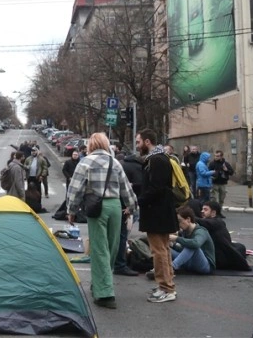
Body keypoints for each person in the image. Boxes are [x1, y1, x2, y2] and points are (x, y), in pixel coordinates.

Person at [67, 133, 138, 309]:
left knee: (99, 249)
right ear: (106, 145)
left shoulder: (85, 162)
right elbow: (126, 188)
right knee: (112, 247)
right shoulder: (115, 163)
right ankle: (100, 284)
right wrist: (132, 207)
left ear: (91, 145)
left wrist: (71, 210)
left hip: (96, 206)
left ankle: (105, 293)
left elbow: (75, 189)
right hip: (115, 207)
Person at [136, 128, 178, 303]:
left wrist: (139, 200)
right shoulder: (160, 158)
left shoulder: (156, 160)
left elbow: (156, 188)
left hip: (157, 212)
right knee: (164, 249)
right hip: (162, 211)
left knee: (158, 251)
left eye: (138, 142)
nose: (137, 146)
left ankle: (166, 288)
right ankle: (167, 285)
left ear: (147, 142)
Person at [113, 152, 143, 277]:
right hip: (124, 204)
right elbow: (129, 188)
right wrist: (129, 207)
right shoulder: (138, 168)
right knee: (122, 234)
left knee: (113, 236)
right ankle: (120, 264)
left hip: (111, 204)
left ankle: (115, 262)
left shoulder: (121, 165)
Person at [197, 201, 249, 271]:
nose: (202, 211)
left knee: (240, 247)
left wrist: (190, 217)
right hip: (217, 254)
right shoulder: (213, 222)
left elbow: (204, 223)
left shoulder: (217, 222)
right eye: (202, 209)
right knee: (239, 247)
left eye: (205, 209)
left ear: (213, 213)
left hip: (219, 259)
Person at [167, 206, 215, 275]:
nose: (178, 225)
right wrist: (172, 245)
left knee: (192, 245)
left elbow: (196, 244)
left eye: (179, 221)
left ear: (188, 219)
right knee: (166, 248)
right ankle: (160, 269)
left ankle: (171, 268)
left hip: (205, 266)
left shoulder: (201, 231)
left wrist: (176, 238)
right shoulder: (184, 231)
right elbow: (184, 251)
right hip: (190, 262)